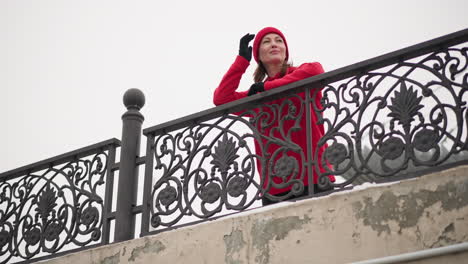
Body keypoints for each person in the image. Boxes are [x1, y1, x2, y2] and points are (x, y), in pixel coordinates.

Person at [213, 27, 334, 205]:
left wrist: (268, 89)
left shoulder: (301, 74)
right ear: (258, 56)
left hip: (314, 176)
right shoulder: (257, 95)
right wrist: (241, 62)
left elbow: (317, 70)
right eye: (266, 42)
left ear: (285, 52)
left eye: (278, 40)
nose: (274, 44)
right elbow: (221, 99)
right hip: (275, 186)